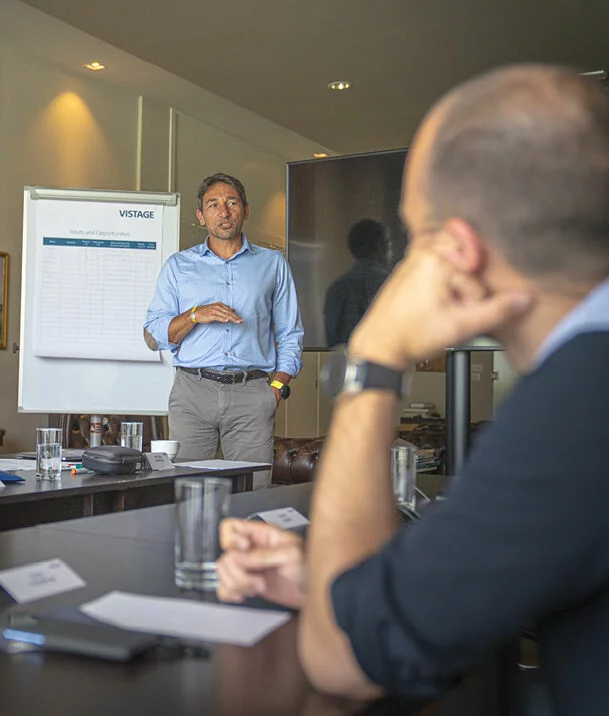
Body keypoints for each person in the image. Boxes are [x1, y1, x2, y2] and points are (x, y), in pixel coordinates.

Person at [215, 64, 609, 713]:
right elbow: (459, 591)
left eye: (416, 234)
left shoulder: (578, 409)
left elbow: (343, 660)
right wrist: (336, 585)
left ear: (457, 250)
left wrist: (373, 358)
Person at [144, 173, 303, 489]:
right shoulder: (178, 266)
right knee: (186, 490)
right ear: (201, 216)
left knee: (253, 490)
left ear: (246, 209)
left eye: (232, 203)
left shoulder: (273, 264)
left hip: (252, 392)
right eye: (213, 205)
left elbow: (290, 333)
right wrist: (195, 315)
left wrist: (276, 387)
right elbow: (154, 335)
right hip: (193, 391)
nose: (224, 212)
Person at [324, 219, 389, 347]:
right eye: (388, 243)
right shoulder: (390, 286)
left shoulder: (335, 289)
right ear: (380, 245)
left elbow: (331, 341)